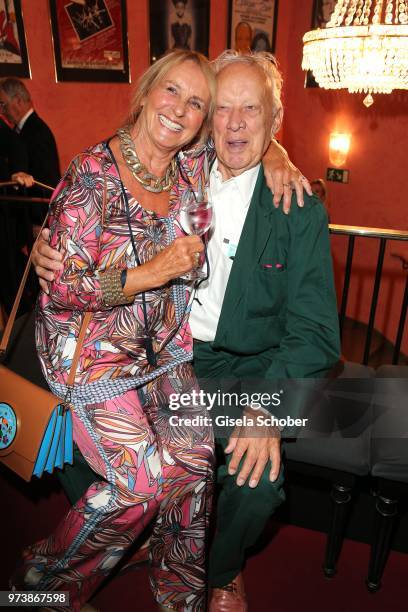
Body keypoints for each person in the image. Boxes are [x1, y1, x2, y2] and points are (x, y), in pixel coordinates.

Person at [32, 51, 337, 612]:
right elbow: (83, 235)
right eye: (222, 108)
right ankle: (48, 585)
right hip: (157, 353)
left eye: (252, 111)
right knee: (151, 476)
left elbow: (317, 334)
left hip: (249, 368)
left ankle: (213, 575)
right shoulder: (188, 166)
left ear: (274, 121)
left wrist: (268, 410)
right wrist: (49, 246)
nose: (235, 122)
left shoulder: (295, 206)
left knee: (253, 480)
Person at [0, 78, 60, 225]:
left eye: (3, 105)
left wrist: (38, 223)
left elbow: (45, 180)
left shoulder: (36, 132)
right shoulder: (24, 129)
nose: (2, 111)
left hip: (39, 219)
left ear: (18, 101)